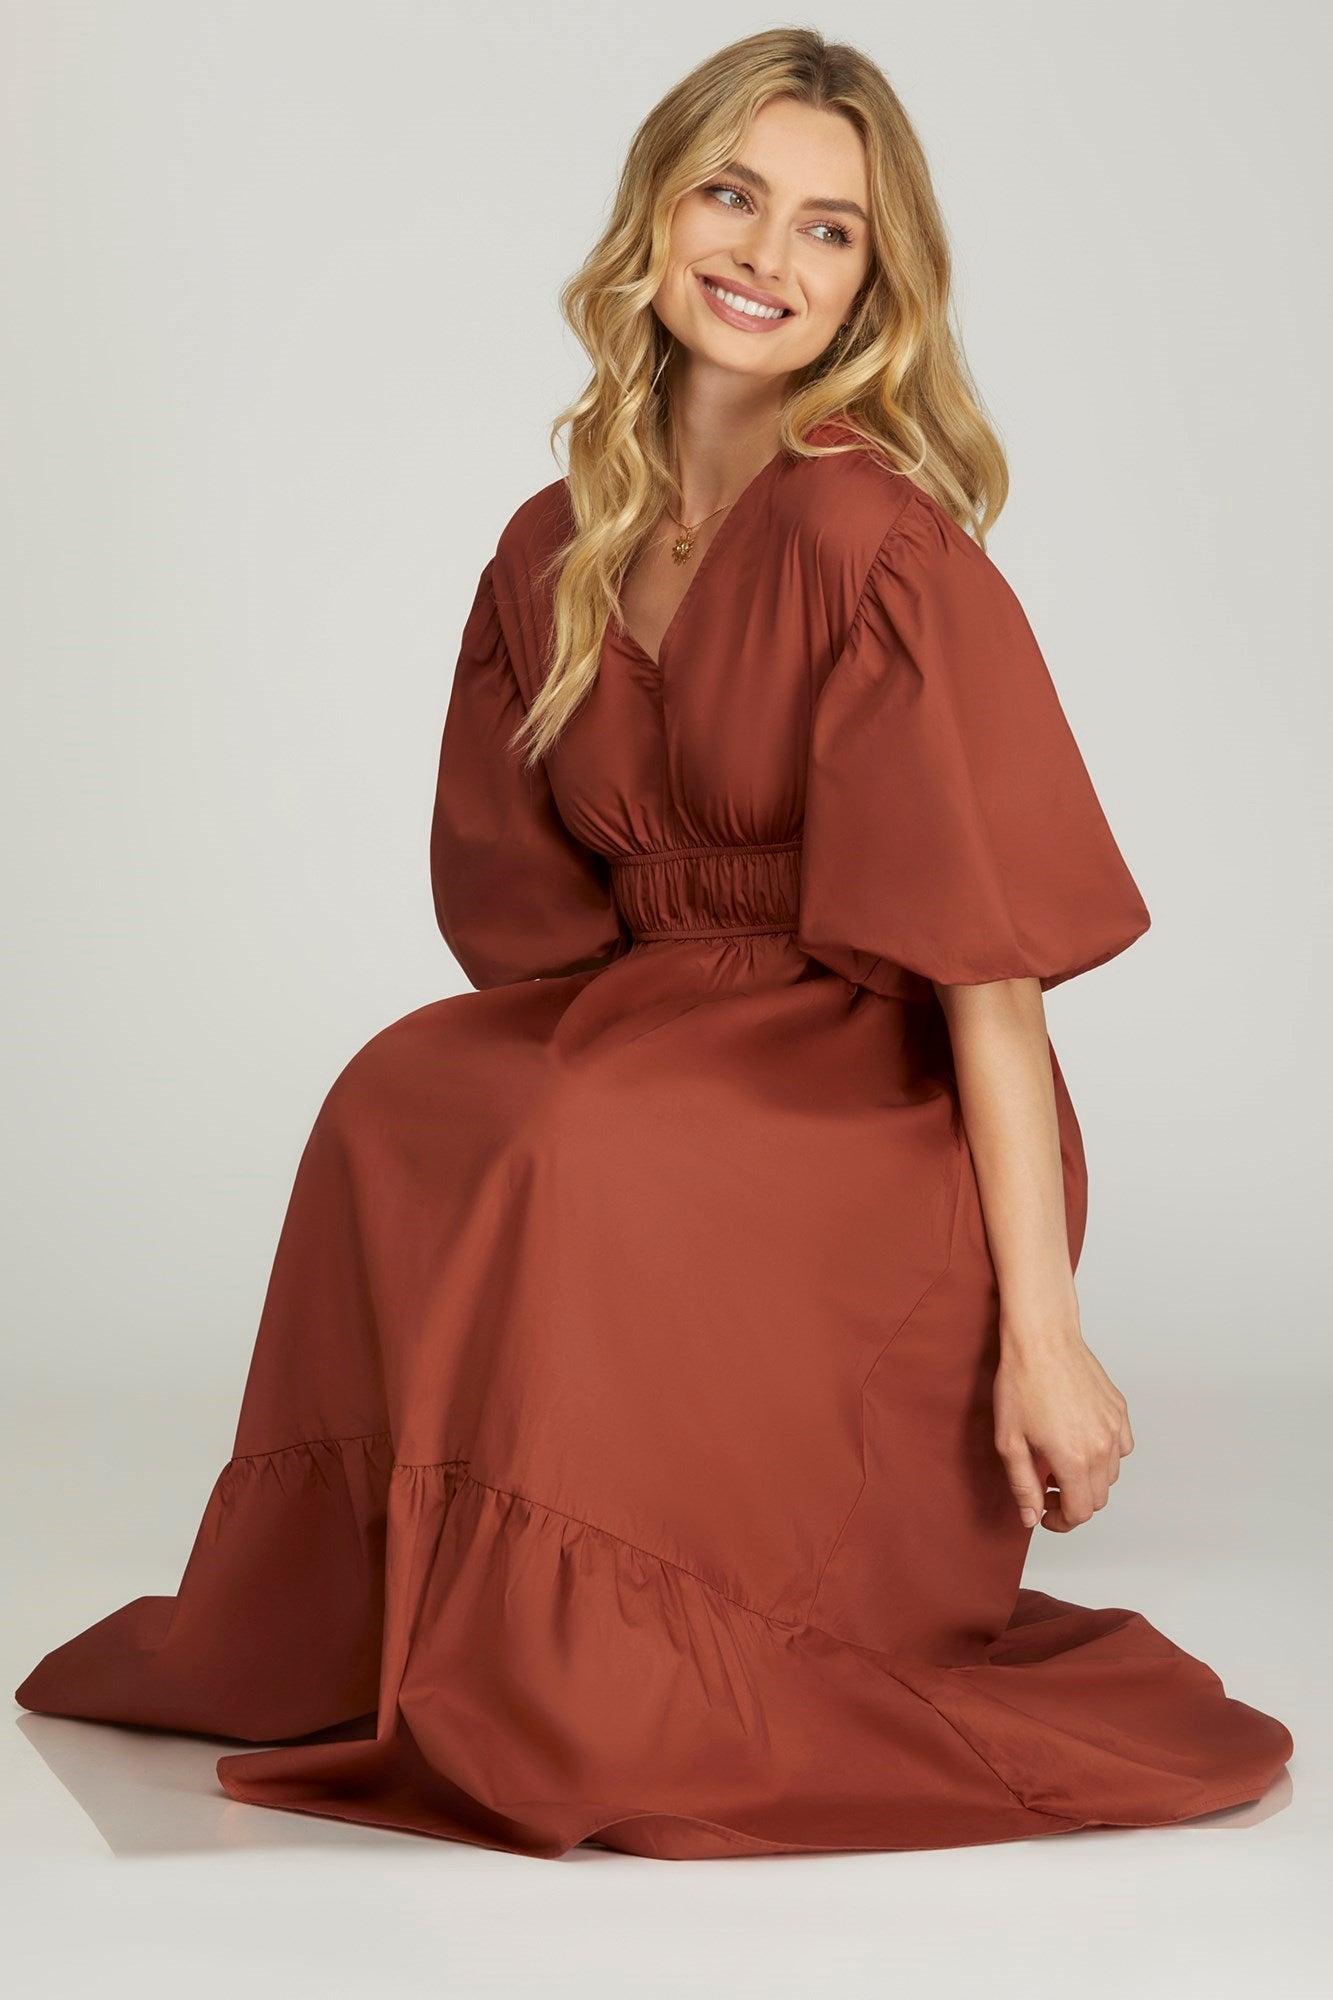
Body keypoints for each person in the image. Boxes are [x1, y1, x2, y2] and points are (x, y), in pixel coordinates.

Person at [15, 28, 1293, 1862]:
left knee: (579, 1133)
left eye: (829, 229)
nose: (767, 253)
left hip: (873, 1081)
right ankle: (392, 1614)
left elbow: (989, 972)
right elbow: (533, 926)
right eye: (732, 195)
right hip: (655, 1017)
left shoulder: (874, 539)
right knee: (400, 1095)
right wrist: (582, 1047)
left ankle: (573, 1661)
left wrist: (1048, 1339)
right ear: (656, 213)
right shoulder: (553, 545)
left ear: (874, 284)